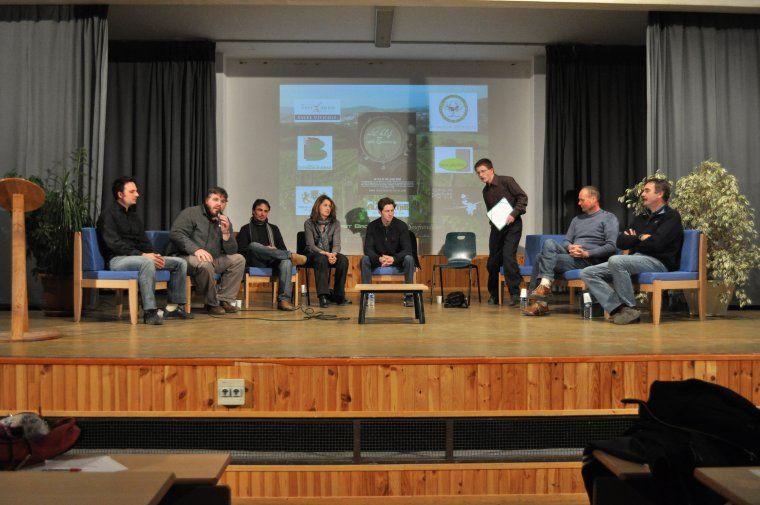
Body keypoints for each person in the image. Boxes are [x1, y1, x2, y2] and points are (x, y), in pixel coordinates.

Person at [581, 178, 684, 325]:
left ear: (660, 194)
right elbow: (621, 242)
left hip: (659, 262)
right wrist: (642, 238)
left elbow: (657, 245)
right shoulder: (641, 217)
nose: (642, 193)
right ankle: (618, 308)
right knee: (587, 273)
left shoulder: (671, 217)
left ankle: (630, 307)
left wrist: (636, 238)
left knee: (617, 260)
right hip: (635, 260)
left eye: (647, 190)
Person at [97, 176, 191, 325]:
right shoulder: (108, 215)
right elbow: (114, 244)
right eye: (132, 191)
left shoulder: (134, 216)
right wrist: (143, 255)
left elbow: (143, 241)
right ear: (120, 194)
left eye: (136, 191)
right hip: (117, 259)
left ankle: (174, 307)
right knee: (146, 262)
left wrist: (154, 254)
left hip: (139, 257)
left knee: (179, 263)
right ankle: (150, 312)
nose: (137, 194)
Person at [523, 186, 619, 316]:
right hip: (572, 256)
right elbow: (566, 241)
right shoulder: (577, 220)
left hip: (589, 260)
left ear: (593, 199)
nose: (579, 203)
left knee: (540, 258)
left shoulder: (608, 218)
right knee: (549, 243)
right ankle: (544, 286)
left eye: (582, 200)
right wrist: (570, 247)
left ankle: (541, 303)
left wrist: (586, 253)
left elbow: (611, 246)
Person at [168, 187, 245, 315]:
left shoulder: (224, 221)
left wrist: (226, 234)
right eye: (215, 199)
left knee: (238, 259)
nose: (219, 204)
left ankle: (223, 300)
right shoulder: (191, 213)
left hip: (212, 259)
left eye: (223, 201)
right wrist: (196, 250)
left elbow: (232, 251)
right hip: (185, 257)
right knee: (205, 264)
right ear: (206, 201)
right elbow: (176, 234)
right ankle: (212, 304)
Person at [237, 199, 307, 311]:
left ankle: (284, 301)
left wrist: (274, 250)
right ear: (253, 211)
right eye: (260, 210)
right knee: (254, 245)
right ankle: (290, 255)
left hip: (273, 261)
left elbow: (282, 248)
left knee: (286, 261)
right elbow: (241, 251)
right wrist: (263, 249)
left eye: (265, 211)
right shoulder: (245, 229)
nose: (262, 213)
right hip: (256, 261)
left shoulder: (274, 228)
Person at [476, 158, 528, 306]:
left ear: (491, 170)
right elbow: (492, 211)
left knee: (508, 256)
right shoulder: (485, 191)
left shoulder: (507, 181)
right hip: (497, 228)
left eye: (483, 171)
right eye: (478, 173)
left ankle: (515, 293)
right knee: (492, 261)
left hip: (513, 225)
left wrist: (513, 213)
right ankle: (494, 295)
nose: (481, 175)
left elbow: (522, 197)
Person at [361, 197, 416, 307]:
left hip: (397, 260)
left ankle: (409, 295)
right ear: (380, 212)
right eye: (387, 211)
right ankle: (367, 295)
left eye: (392, 211)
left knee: (409, 258)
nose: (390, 214)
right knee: (365, 259)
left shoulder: (401, 226)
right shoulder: (372, 226)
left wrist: (393, 259)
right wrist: (379, 258)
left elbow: (407, 249)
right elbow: (368, 249)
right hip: (379, 260)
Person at [303, 195, 350, 308]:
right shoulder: (309, 223)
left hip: (330, 254)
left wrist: (333, 254)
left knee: (343, 260)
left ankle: (339, 296)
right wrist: (326, 254)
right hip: (313, 255)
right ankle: (323, 296)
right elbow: (311, 246)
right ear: (318, 206)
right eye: (325, 205)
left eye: (330, 206)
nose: (328, 208)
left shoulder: (335, 223)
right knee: (321, 258)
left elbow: (336, 244)